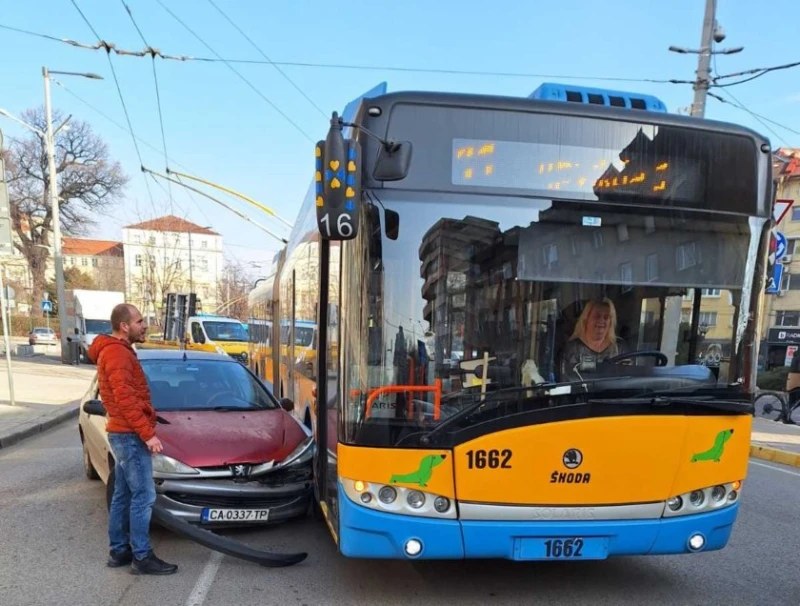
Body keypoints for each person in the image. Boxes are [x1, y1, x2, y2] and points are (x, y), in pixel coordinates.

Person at [88, 304, 178, 576]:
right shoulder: (117, 354)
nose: (144, 325)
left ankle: (119, 551)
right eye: (140, 321)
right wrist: (148, 435)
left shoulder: (116, 351)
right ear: (124, 326)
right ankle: (142, 556)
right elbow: (126, 400)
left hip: (122, 432)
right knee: (143, 496)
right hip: (128, 435)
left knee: (123, 494)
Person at [560, 297, 627, 380]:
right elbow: (566, 379)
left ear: (611, 322)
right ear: (586, 319)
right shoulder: (573, 348)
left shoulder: (619, 347)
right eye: (597, 316)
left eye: (606, 317)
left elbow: (626, 377)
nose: (601, 321)